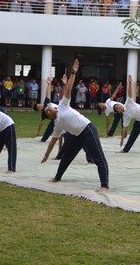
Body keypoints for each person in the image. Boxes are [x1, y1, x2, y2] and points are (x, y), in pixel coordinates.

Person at [41, 59, 109, 192]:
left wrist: (73, 73)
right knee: (66, 156)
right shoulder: (57, 125)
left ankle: (104, 185)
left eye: (49, 108)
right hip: (76, 136)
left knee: (98, 158)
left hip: (87, 130)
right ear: (49, 117)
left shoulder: (62, 106)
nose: (50, 108)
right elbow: (52, 141)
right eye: (47, 111)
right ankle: (57, 177)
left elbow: (69, 89)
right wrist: (47, 155)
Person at [116, 75, 140, 156]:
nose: (119, 106)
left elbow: (130, 93)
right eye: (117, 108)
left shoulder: (128, 103)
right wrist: (122, 139)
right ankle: (125, 149)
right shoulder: (125, 116)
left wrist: (130, 82)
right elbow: (124, 128)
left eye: (118, 105)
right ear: (119, 111)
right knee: (133, 134)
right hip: (139, 119)